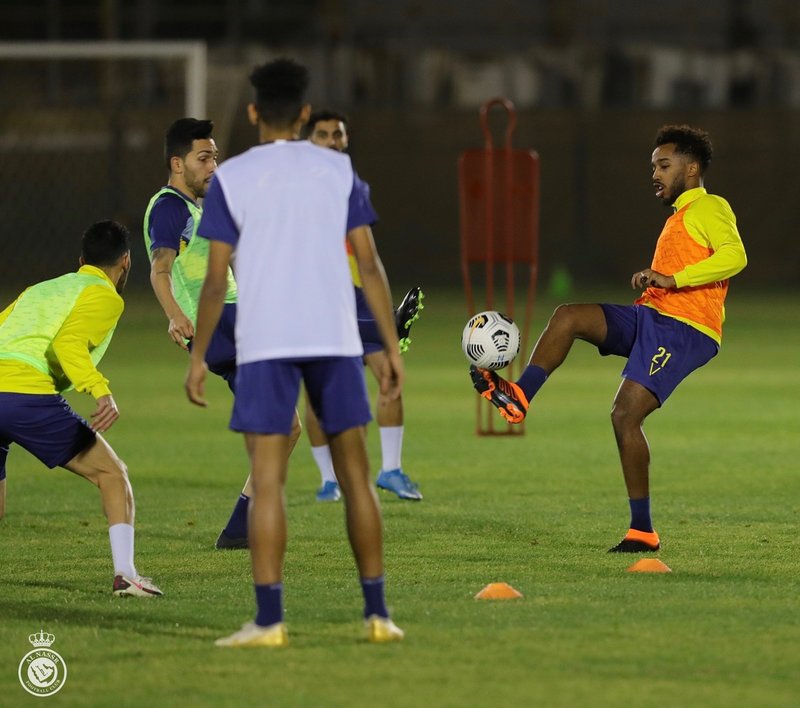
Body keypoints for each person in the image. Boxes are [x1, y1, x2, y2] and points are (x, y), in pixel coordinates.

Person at [185, 58, 405, 646]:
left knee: (269, 479)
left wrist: (198, 355)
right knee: (357, 478)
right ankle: (378, 615)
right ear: (306, 114)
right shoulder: (339, 172)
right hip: (333, 340)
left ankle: (269, 621)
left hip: (266, 343)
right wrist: (387, 346)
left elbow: (213, 281)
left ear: (254, 112)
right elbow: (372, 264)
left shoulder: (231, 177)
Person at [470, 125, 747, 553]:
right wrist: (658, 282)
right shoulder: (679, 218)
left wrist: (672, 278)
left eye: (663, 165)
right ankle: (519, 397)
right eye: (653, 165)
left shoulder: (710, 207)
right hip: (651, 315)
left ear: (691, 169)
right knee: (568, 317)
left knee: (624, 416)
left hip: (686, 329)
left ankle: (642, 531)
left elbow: (735, 255)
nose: (654, 173)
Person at [143, 118, 301, 550]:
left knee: (286, 427)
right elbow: (159, 269)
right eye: (204, 157)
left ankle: (238, 531)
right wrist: (175, 315)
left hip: (227, 326)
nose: (215, 164)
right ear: (178, 164)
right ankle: (374, 334)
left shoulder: (198, 208)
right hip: (218, 323)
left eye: (216, 155)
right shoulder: (169, 207)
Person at [0, 220, 163, 597]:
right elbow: (68, 343)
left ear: (80, 260)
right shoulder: (104, 295)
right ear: (126, 262)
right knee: (113, 475)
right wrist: (100, 390)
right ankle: (126, 575)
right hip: (24, 393)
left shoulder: (40, 289)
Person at [303, 109, 424, 502]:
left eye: (338, 134)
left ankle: (391, 470)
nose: (333, 141)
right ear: (310, 141)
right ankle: (329, 480)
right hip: (319, 298)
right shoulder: (298, 184)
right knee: (318, 395)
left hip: (356, 295)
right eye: (323, 134)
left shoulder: (353, 183)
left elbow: (366, 257)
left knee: (389, 375)